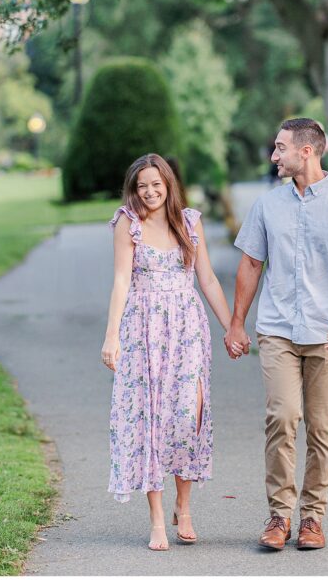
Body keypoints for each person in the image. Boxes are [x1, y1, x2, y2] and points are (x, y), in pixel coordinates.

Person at [224, 118, 328, 552]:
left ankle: (312, 518)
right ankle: (279, 516)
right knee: (282, 416)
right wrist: (237, 323)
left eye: (280, 148)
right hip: (277, 330)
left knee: (322, 428)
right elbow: (251, 265)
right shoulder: (267, 206)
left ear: (307, 151)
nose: (274, 156)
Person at [102, 153, 240, 551]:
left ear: (168, 184)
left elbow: (209, 280)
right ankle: (158, 519)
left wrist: (231, 326)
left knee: (186, 417)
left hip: (187, 330)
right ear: (134, 188)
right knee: (150, 421)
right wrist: (112, 336)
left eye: (156, 184)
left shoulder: (190, 222)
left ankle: (185, 507)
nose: (149, 192)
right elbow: (121, 280)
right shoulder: (128, 223)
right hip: (143, 329)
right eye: (142, 185)